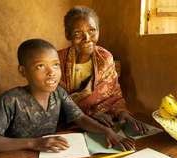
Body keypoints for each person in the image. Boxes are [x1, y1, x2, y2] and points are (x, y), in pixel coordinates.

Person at [0, 38, 134, 158]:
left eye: (55, 64)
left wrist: (107, 131)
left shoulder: (59, 94)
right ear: (23, 71)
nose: (51, 72)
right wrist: (33, 143)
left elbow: (80, 118)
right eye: (40, 66)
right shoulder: (11, 100)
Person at [58, 6, 148, 134]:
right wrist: (88, 116)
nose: (87, 38)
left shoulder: (105, 58)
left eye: (92, 30)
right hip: (67, 128)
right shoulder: (57, 61)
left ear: (99, 31)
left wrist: (123, 114)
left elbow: (114, 96)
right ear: (68, 35)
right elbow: (52, 104)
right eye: (78, 33)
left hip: (104, 124)